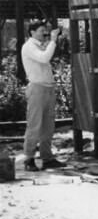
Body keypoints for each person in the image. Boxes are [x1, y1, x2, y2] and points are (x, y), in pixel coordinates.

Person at [21, 21, 65, 171]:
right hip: (37, 89)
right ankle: (28, 158)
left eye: (45, 31)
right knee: (34, 125)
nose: (44, 34)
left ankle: (47, 158)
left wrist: (52, 41)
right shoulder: (28, 47)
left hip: (48, 88)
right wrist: (53, 40)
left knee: (48, 125)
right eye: (41, 31)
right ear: (32, 32)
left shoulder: (39, 45)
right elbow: (44, 58)